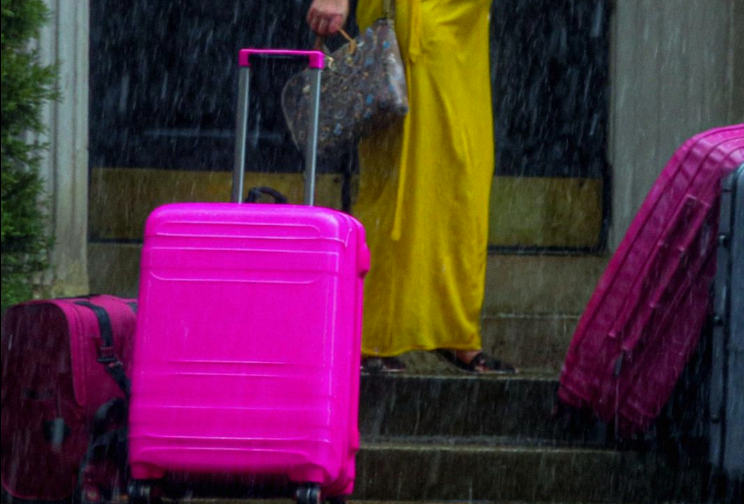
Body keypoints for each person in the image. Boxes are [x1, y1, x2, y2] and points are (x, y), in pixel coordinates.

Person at [307, 0, 516, 374]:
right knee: (399, 179)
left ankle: (454, 329)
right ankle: (372, 334)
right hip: (413, 18)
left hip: (463, 19)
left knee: (461, 174)